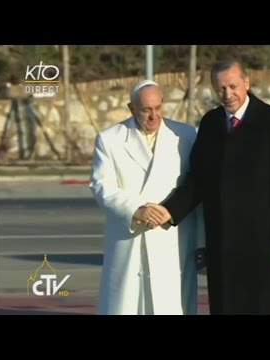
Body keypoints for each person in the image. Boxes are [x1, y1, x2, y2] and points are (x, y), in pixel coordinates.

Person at [152, 59, 270, 315]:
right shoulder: (211, 123)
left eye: (233, 86)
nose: (228, 94)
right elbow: (198, 178)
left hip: (263, 238)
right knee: (226, 303)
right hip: (223, 237)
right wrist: (169, 210)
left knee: (264, 304)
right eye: (221, 88)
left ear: (246, 83)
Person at [89, 79, 204, 315]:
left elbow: (196, 186)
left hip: (172, 239)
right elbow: (101, 186)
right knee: (128, 304)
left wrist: (200, 239)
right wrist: (136, 209)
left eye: (158, 108)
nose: (154, 116)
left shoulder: (185, 135)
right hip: (130, 237)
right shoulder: (109, 139)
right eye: (146, 110)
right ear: (132, 109)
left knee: (170, 305)